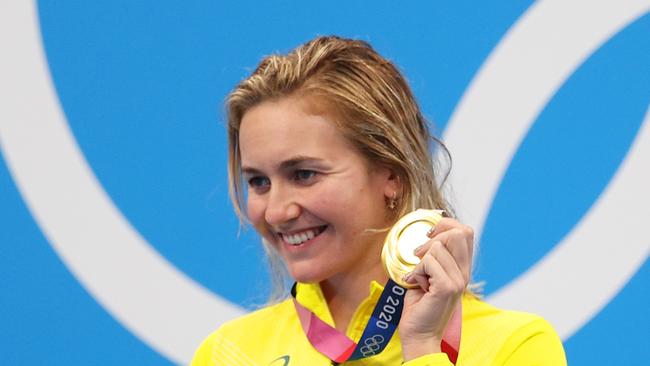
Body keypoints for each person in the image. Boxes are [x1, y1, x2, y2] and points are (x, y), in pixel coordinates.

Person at [192, 36, 566, 365]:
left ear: (392, 175)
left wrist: (423, 347)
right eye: (258, 181)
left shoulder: (515, 347)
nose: (275, 210)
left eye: (304, 174)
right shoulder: (228, 353)